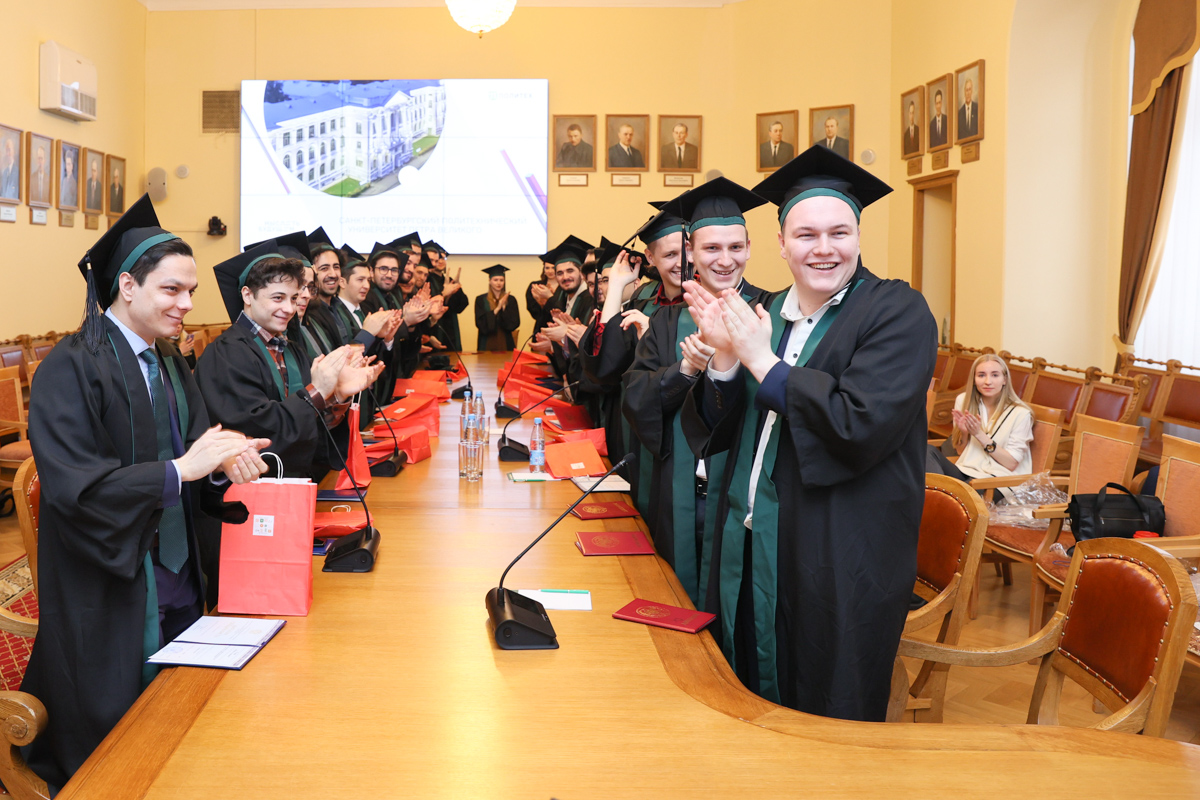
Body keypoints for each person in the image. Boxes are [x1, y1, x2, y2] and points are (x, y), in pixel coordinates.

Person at [20, 195, 271, 791]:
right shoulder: (70, 367)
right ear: (127, 286)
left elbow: (191, 447)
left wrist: (223, 463)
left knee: (186, 717)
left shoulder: (167, 360)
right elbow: (74, 487)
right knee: (123, 745)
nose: (186, 305)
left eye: (190, 292)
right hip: (110, 580)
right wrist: (182, 470)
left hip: (176, 568)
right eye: (171, 290)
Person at [679, 146, 937, 721]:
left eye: (838, 232)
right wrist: (724, 362)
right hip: (750, 540)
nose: (823, 249)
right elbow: (724, 428)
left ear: (859, 236)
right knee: (742, 692)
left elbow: (858, 421)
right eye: (806, 234)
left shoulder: (897, 311)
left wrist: (759, 359)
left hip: (835, 550)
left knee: (824, 703)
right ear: (781, 242)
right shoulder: (765, 310)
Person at [623, 178, 768, 609]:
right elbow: (634, 396)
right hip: (682, 497)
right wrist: (685, 369)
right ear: (692, 252)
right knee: (678, 608)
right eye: (711, 249)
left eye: (735, 247)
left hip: (745, 501)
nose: (725, 260)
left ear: (749, 246)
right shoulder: (669, 323)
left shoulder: (769, 312)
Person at [926, 354, 1033, 500]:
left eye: (995, 375)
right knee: (927, 451)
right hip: (967, 470)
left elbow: (1011, 463)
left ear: (1004, 380)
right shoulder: (964, 401)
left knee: (958, 495)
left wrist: (979, 434)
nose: (988, 381)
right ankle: (940, 496)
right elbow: (961, 451)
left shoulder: (1021, 413)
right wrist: (963, 433)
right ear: (974, 380)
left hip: (999, 479)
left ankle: (941, 498)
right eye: (981, 375)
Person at [475, 265, 521, 351]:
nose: (498, 283)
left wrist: (504, 309)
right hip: (486, 342)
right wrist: (497, 308)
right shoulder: (481, 299)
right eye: (495, 280)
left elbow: (515, 323)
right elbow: (480, 324)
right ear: (489, 281)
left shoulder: (511, 299)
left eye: (501, 280)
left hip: (505, 342)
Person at [527, 257, 560, 337]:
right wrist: (540, 302)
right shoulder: (536, 286)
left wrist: (550, 298)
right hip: (541, 326)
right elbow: (534, 312)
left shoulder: (564, 287)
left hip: (559, 327)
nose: (550, 271)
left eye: (553, 268)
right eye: (547, 268)